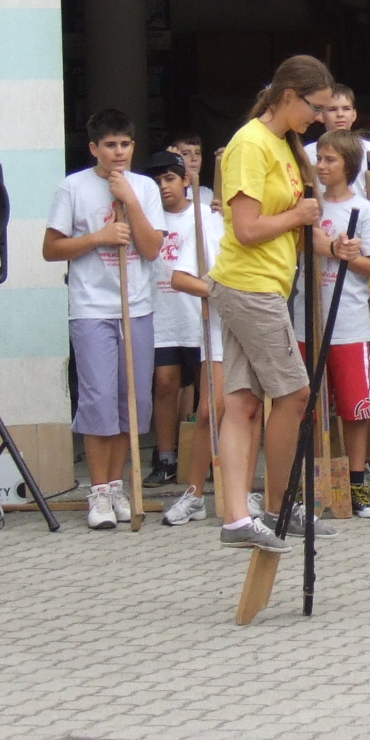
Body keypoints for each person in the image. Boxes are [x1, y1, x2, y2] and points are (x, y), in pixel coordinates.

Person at [210, 55, 333, 550]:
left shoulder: (283, 144)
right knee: (295, 394)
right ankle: (278, 504)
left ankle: (238, 517)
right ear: (287, 96)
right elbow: (247, 228)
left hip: (265, 284)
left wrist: (328, 242)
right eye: (315, 106)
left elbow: (290, 224)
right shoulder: (250, 143)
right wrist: (299, 216)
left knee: (242, 401)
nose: (319, 117)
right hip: (250, 284)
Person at [42, 109, 166, 530]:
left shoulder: (144, 187)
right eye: (110, 145)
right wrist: (99, 237)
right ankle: (97, 491)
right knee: (99, 401)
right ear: (94, 148)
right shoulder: (73, 187)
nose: (118, 152)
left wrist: (130, 201)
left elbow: (152, 249)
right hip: (92, 308)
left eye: (125, 144)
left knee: (132, 401)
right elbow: (51, 249)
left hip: (137, 307)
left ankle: (117, 486)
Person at [312, 130, 370, 516]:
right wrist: (330, 247)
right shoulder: (308, 205)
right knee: (308, 407)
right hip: (307, 319)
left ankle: (357, 482)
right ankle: (311, 483)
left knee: (356, 408)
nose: (322, 166)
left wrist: (347, 256)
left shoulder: (364, 210)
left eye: (331, 160)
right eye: (319, 159)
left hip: (350, 322)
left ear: (349, 165)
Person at [143, 151, 221, 498]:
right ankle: (165, 457)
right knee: (164, 384)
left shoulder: (204, 215)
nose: (164, 186)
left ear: (186, 180)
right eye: (157, 181)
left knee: (208, 392)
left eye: (170, 179)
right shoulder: (148, 217)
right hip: (162, 313)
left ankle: (211, 457)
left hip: (198, 314)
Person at [318, 86, 370, 203]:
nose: (340, 114)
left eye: (346, 109)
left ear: (354, 115)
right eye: (332, 109)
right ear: (321, 115)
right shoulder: (308, 152)